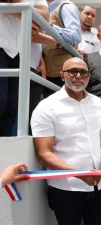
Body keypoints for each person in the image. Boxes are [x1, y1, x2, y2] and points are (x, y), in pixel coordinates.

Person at [31, 57, 101, 225]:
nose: (78, 76)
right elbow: (44, 153)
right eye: (72, 71)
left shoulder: (98, 103)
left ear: (89, 77)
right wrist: (79, 173)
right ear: (62, 75)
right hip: (66, 189)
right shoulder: (46, 107)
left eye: (83, 72)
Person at [0, 0, 49, 136]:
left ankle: (4, 150)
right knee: (1, 99)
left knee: (12, 106)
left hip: (20, 51)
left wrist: (17, 6)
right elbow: (37, 19)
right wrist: (28, 13)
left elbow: (45, 17)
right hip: (1, 47)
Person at [42, 0, 82, 98]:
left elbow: (75, 35)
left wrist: (49, 27)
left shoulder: (66, 7)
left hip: (61, 71)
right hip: (48, 69)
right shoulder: (47, 8)